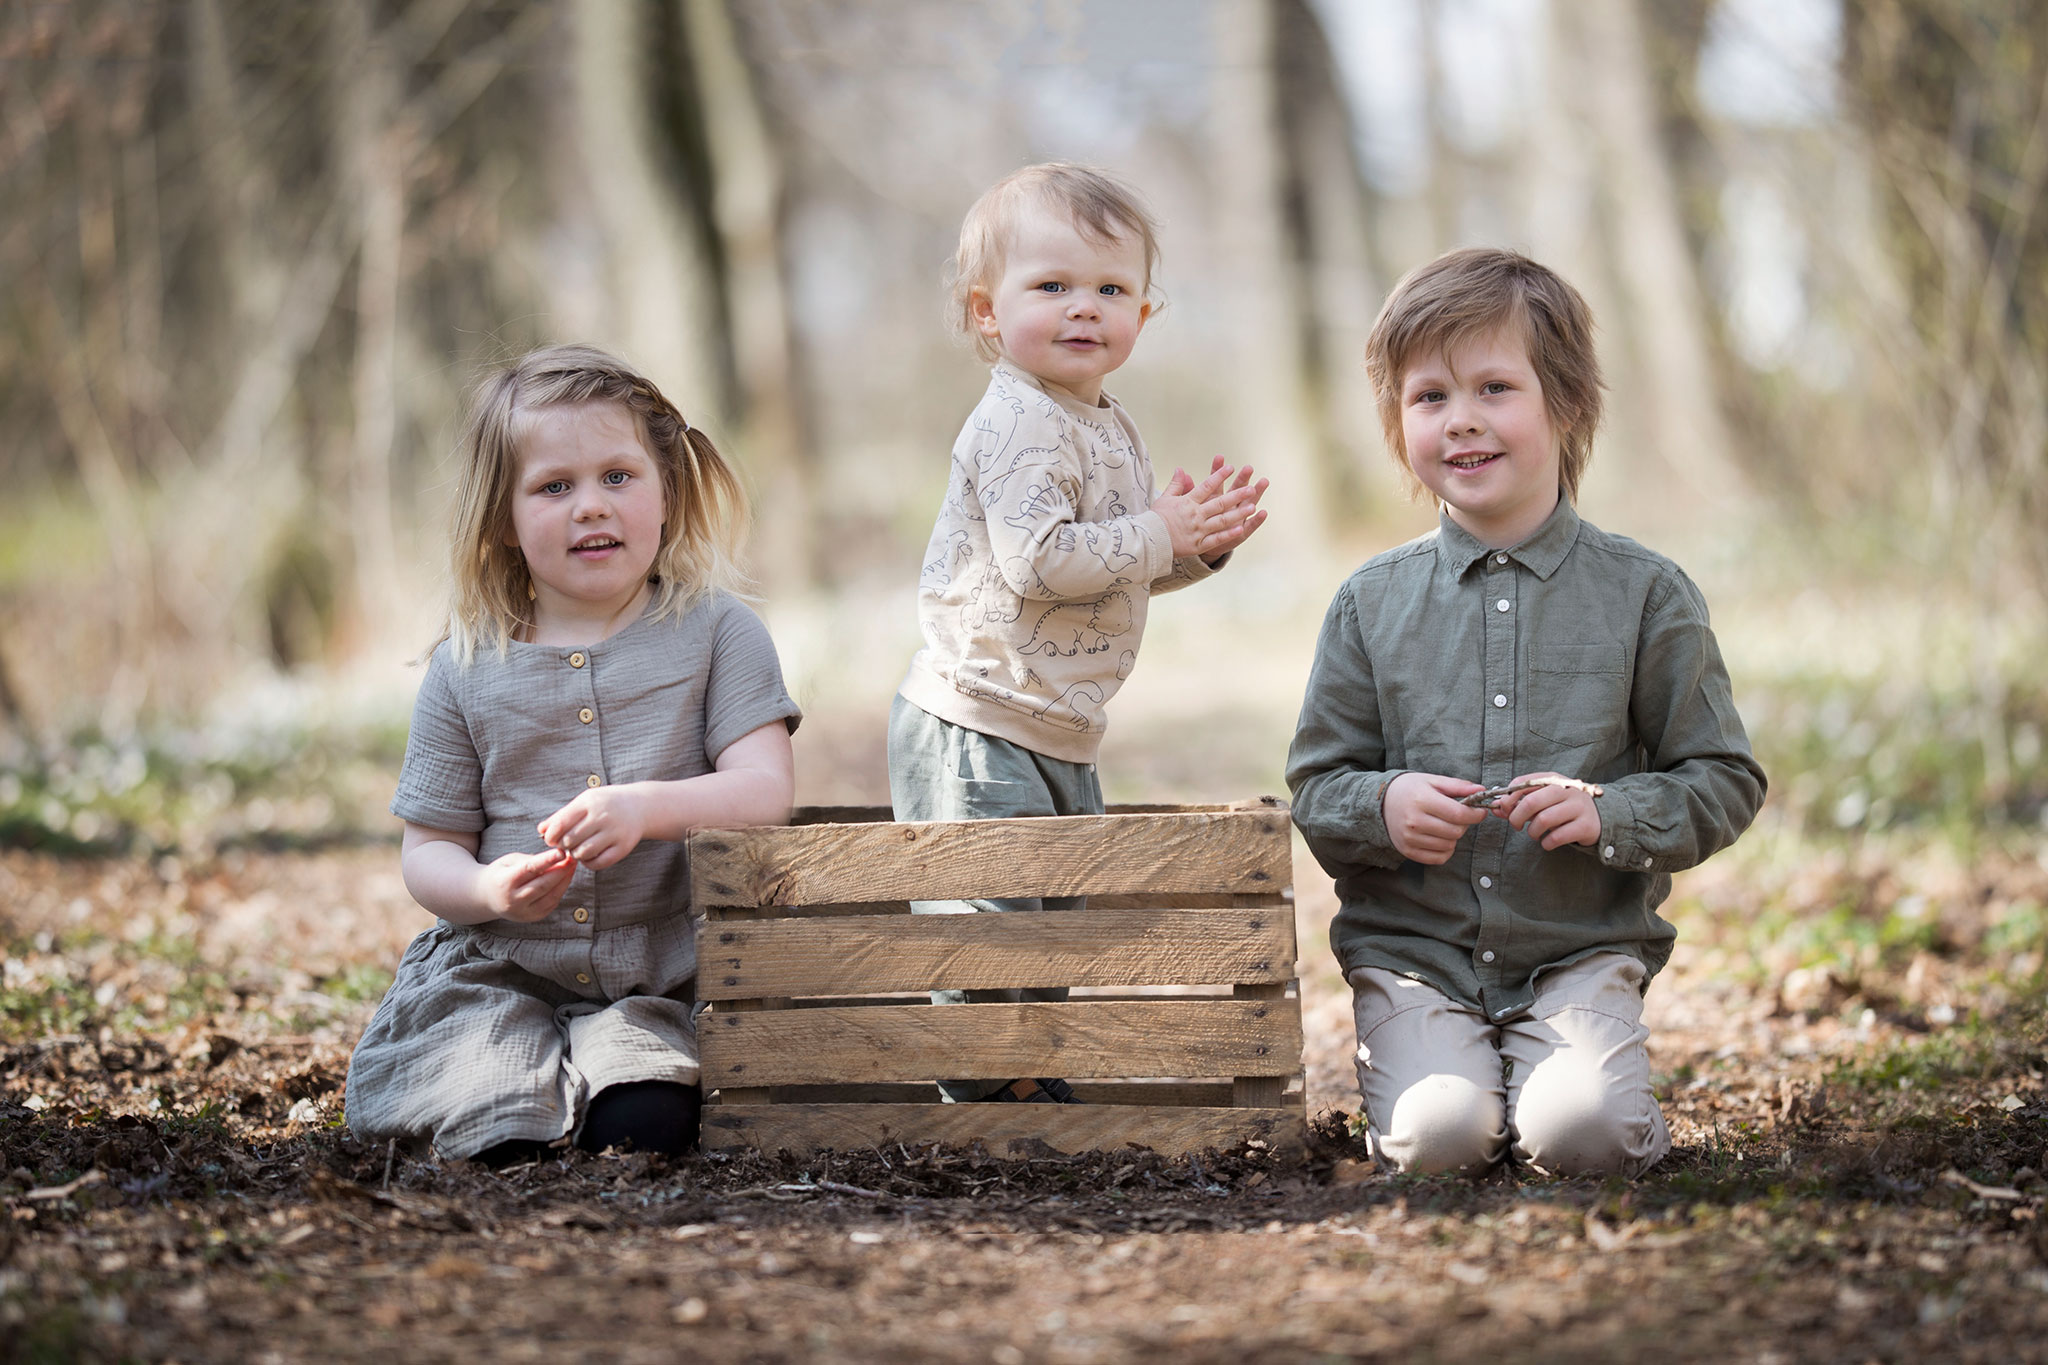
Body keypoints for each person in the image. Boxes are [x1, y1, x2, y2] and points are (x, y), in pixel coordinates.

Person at [1287, 248, 1766, 1176]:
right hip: (1416, 956)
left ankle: (1579, 1089)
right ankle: (1456, 1078)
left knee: (1581, 1133)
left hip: (1578, 955)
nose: (1461, 419)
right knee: (1438, 1141)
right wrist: (1379, 806)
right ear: (1398, 424)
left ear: (1569, 402)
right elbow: (1317, 784)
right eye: (1429, 397)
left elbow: (1724, 778)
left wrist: (1610, 813)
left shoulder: (1646, 593)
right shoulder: (1369, 602)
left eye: (1494, 387)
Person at [345, 344, 800, 1164]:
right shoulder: (464, 668)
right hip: (501, 968)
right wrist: (485, 887)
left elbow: (764, 788)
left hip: (655, 973)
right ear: (502, 523)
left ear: (666, 490)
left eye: (618, 476)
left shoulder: (719, 632)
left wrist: (647, 808)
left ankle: (611, 1083)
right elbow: (427, 852)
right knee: (493, 1123)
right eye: (555, 487)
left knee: (647, 1123)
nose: (592, 506)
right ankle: (509, 1094)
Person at [890, 162, 1271, 1104]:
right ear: (987, 313)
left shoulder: (1105, 421)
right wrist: (1155, 533)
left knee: (1054, 910)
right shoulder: (1019, 419)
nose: (1083, 308)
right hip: (979, 713)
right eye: (1051, 286)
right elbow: (1040, 562)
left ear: (1146, 312)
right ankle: (978, 1091)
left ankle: (1030, 1073)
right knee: (989, 909)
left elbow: (1097, 579)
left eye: (1111, 289)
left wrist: (1192, 546)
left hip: (1055, 717)